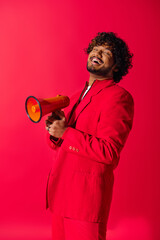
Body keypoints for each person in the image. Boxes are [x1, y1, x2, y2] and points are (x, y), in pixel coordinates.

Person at [45, 32, 134, 240]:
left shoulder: (119, 97)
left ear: (117, 66)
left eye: (106, 51)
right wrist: (55, 133)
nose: (97, 52)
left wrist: (66, 132)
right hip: (60, 196)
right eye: (95, 48)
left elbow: (109, 152)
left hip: (85, 202)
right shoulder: (75, 96)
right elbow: (62, 146)